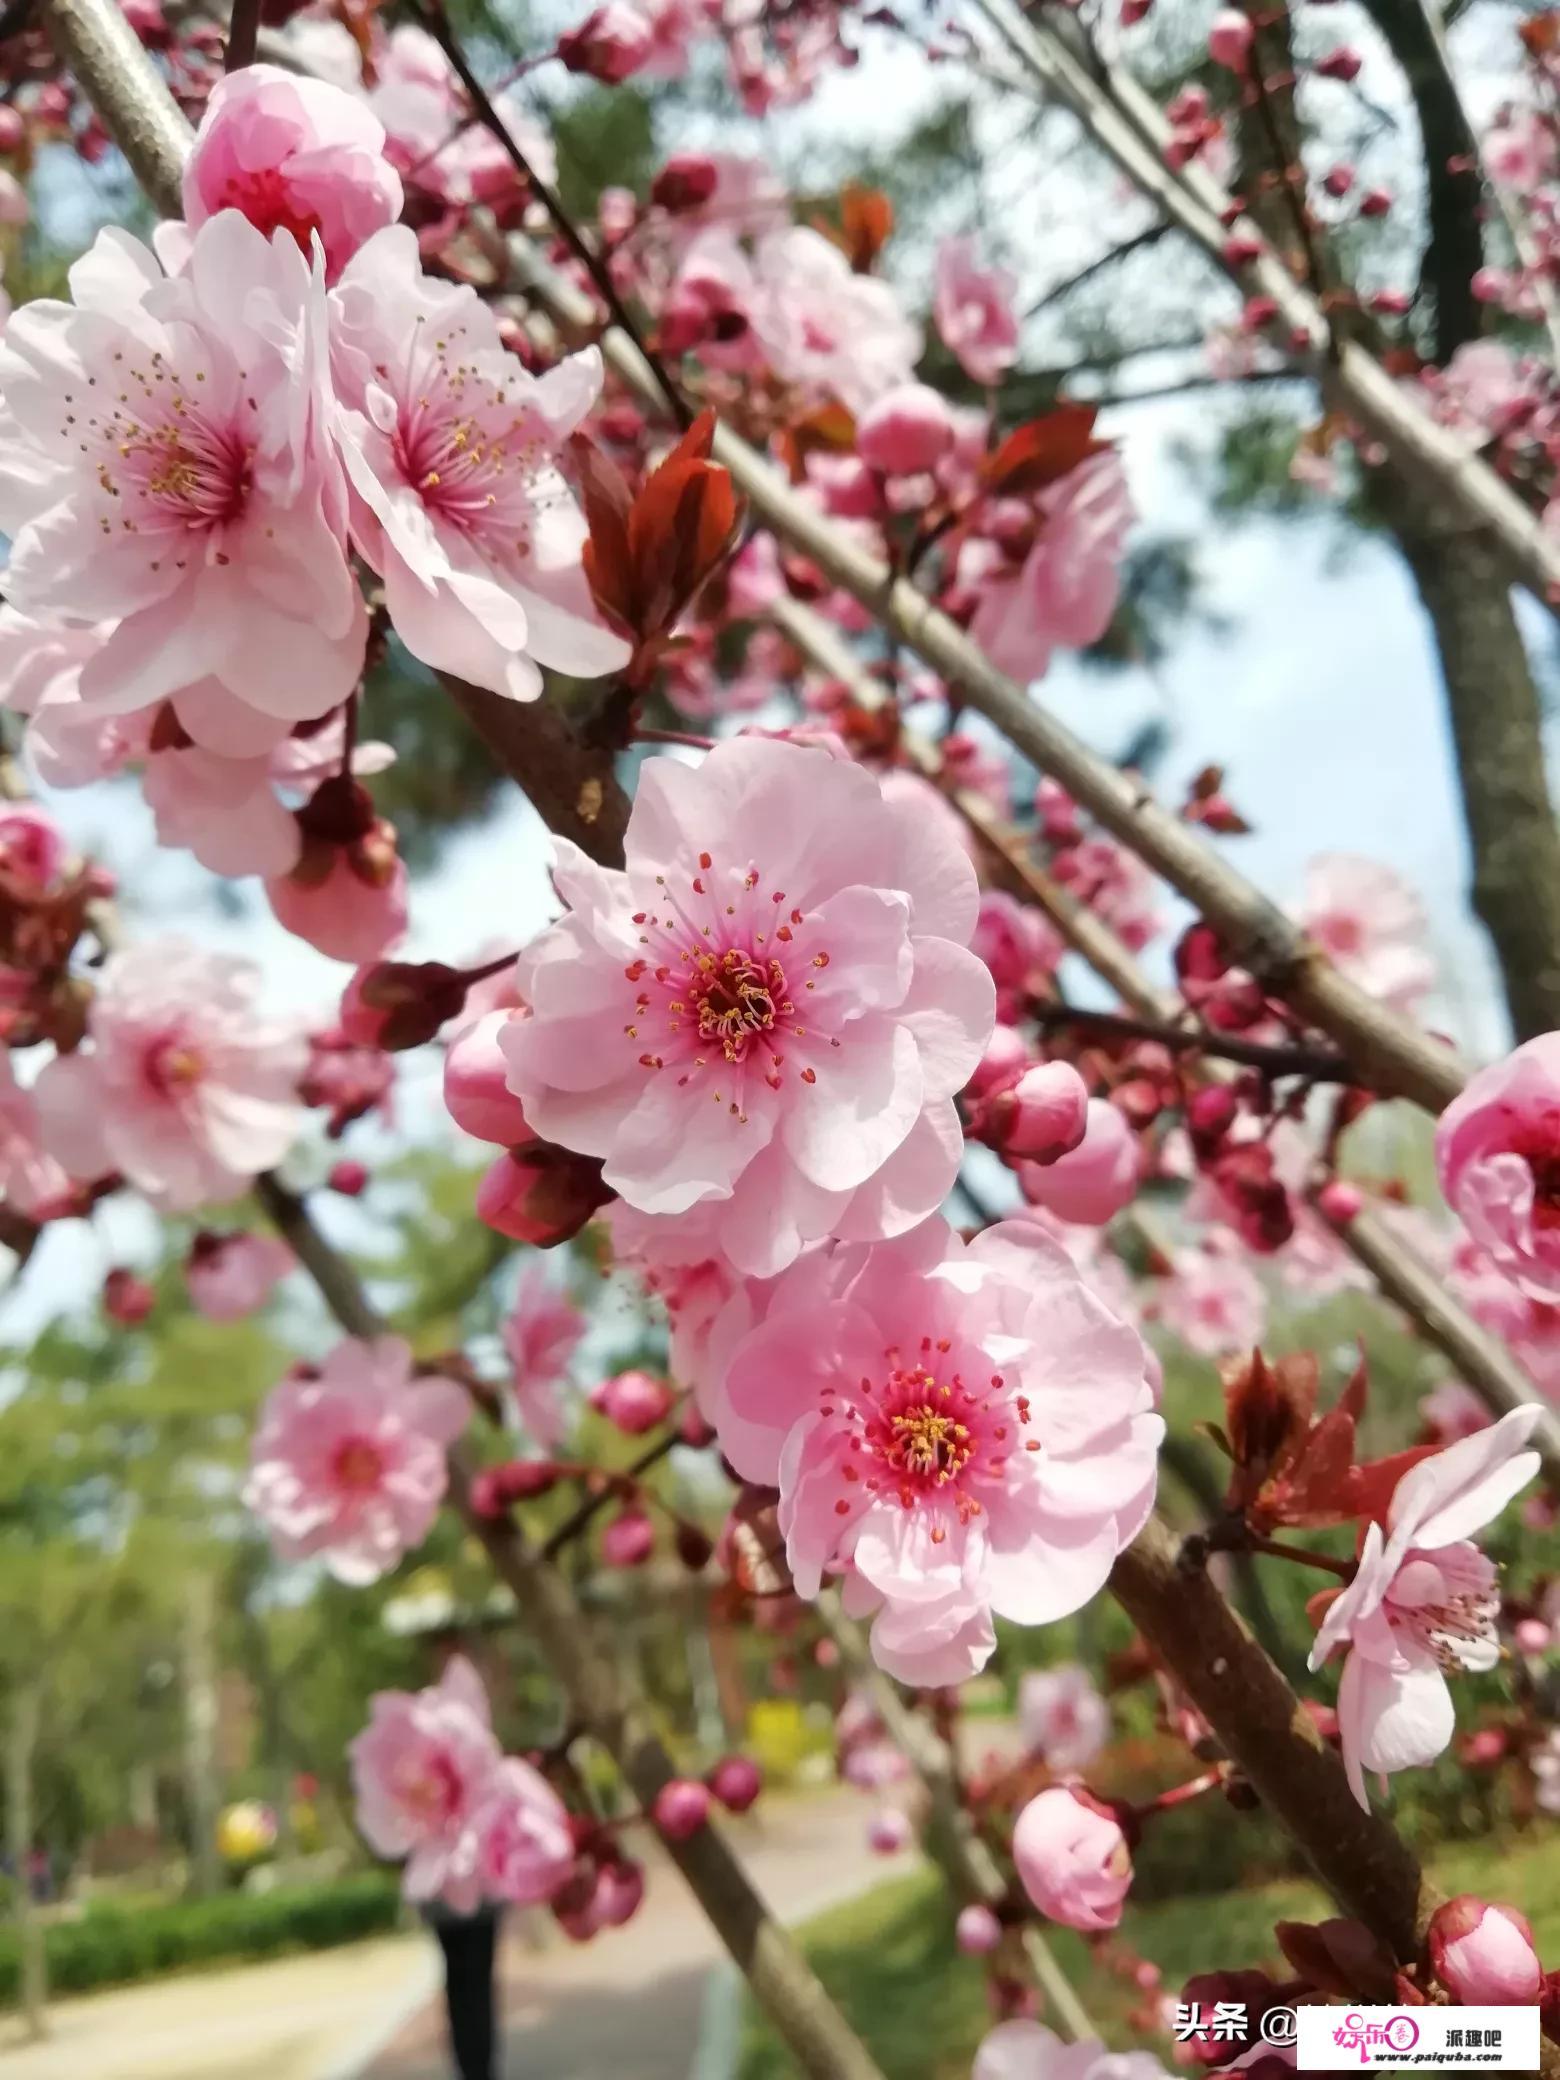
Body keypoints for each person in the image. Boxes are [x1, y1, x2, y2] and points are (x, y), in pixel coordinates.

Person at [419, 1899, 503, 2080]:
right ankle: (480, 2068)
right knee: (478, 1985)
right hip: (479, 1897)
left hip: (444, 1899)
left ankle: (470, 2068)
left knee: (459, 1985)